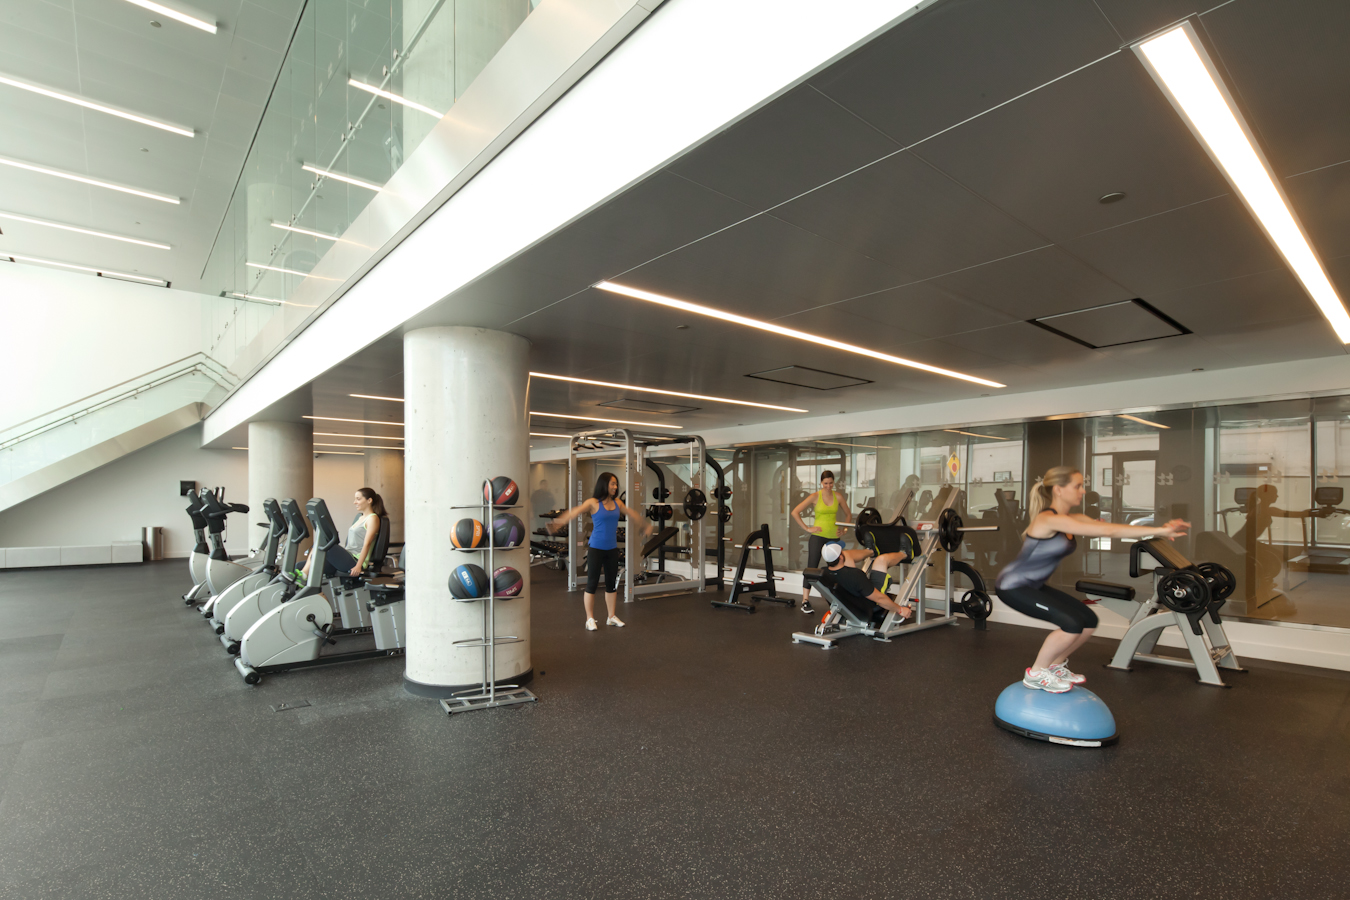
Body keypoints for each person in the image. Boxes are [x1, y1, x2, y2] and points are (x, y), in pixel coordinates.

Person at [996, 466, 1189, 693]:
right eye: (1077, 486)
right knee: (1071, 624)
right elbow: (1108, 533)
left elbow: (1107, 528)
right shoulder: (1047, 519)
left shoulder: (1072, 518)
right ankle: (1036, 674)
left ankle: (1055, 665)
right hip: (1012, 586)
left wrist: (1159, 531)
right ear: (1058, 489)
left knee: (1088, 620)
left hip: (1033, 586)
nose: (1083, 491)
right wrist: (1161, 530)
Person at [547, 472, 653, 631]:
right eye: (612, 483)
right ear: (604, 484)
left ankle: (611, 616)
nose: (615, 487)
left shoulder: (618, 503)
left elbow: (632, 514)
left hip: (612, 549)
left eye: (616, 484)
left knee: (611, 584)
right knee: (592, 584)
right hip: (596, 548)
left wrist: (645, 525)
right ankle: (589, 619)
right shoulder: (593, 503)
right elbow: (575, 512)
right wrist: (558, 523)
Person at [792, 470, 852, 614]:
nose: (828, 486)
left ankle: (837, 599)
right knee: (812, 566)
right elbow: (795, 512)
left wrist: (844, 530)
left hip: (833, 537)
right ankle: (805, 601)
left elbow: (848, 514)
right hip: (818, 536)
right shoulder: (815, 496)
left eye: (831, 483)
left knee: (837, 568)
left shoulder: (838, 496)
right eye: (826, 483)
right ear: (821, 483)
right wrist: (807, 528)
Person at [300, 487, 385, 583]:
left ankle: (303, 575)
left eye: (358, 499)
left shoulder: (372, 519)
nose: (355, 502)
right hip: (347, 556)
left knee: (325, 543)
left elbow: (367, 544)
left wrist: (358, 566)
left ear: (369, 500)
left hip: (354, 560)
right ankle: (304, 575)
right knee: (299, 566)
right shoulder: (360, 517)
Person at [818, 542, 915, 626]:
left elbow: (826, 594)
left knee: (848, 555)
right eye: (841, 552)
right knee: (881, 560)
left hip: (845, 605)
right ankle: (905, 553)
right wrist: (900, 609)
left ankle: (871, 551)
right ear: (840, 557)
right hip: (867, 607)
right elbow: (879, 599)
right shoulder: (855, 574)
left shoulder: (822, 573)